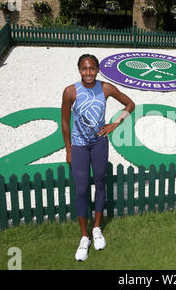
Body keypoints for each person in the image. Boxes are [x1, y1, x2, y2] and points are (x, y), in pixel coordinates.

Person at [61, 54, 135, 262]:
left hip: (99, 144)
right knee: (82, 188)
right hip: (79, 146)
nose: (88, 73)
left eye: (92, 68)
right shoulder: (70, 91)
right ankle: (84, 237)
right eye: (84, 69)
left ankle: (96, 229)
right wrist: (68, 149)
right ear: (79, 70)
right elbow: (65, 122)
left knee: (101, 183)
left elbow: (130, 104)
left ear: (98, 69)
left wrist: (115, 124)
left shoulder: (106, 88)